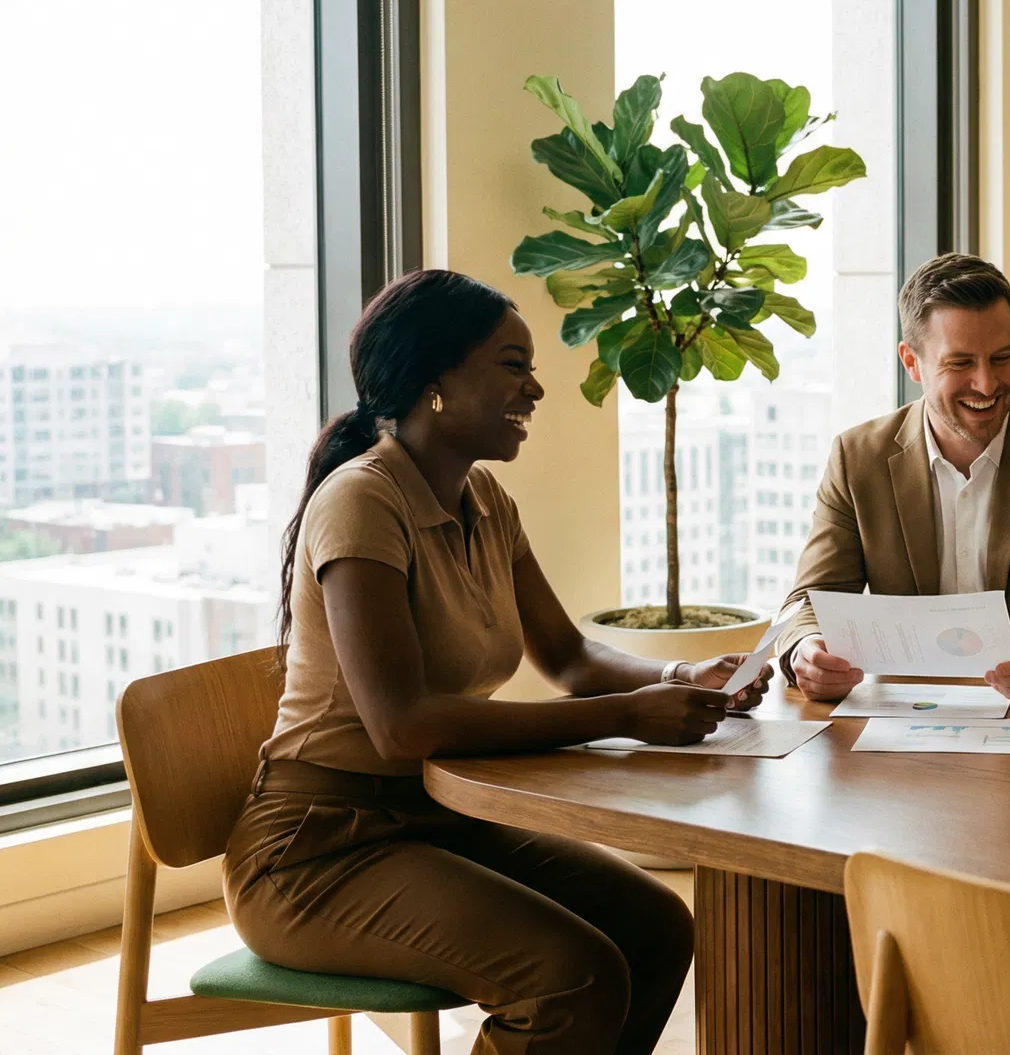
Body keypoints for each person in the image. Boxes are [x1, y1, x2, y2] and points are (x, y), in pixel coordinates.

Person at [224, 269, 770, 1055]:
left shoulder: (485, 501)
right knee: (572, 976)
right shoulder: (361, 502)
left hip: (437, 820)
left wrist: (679, 679)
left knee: (654, 927)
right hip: (316, 851)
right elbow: (401, 726)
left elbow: (571, 655)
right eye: (513, 365)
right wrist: (627, 715)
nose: (537, 389)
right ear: (436, 381)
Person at [772, 253, 1010, 704]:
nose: (987, 384)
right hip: (904, 725)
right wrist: (806, 651)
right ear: (912, 363)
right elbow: (811, 602)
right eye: (960, 363)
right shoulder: (857, 459)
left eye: (1002, 358)